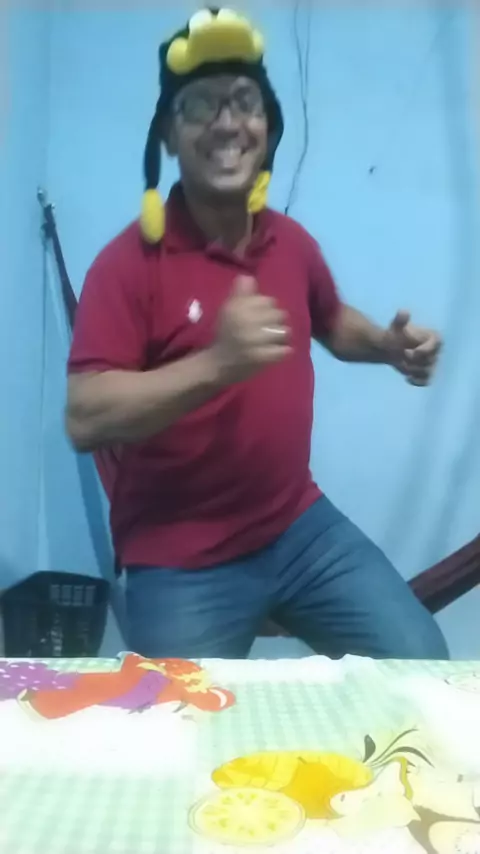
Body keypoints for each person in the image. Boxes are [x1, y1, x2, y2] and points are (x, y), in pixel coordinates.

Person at [66, 9, 448, 661]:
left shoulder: (290, 243)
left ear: (267, 129)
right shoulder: (127, 264)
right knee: (182, 716)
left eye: (244, 102)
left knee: (423, 667)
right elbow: (84, 416)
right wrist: (218, 362)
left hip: (298, 526)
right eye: (199, 105)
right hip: (179, 555)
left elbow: (331, 320)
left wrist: (387, 347)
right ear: (168, 136)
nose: (225, 122)